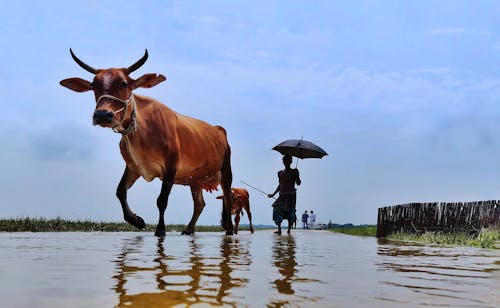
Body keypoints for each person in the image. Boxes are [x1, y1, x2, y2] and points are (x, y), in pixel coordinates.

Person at [268, 155, 301, 234]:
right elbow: (280, 185)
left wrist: (297, 176)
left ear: (291, 162)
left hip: (291, 195)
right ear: (283, 162)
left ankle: (289, 229)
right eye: (284, 160)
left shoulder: (295, 171)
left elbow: (298, 183)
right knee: (276, 209)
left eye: (287, 160)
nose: (285, 162)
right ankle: (279, 229)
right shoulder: (280, 173)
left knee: (291, 211)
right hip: (282, 195)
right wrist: (273, 194)